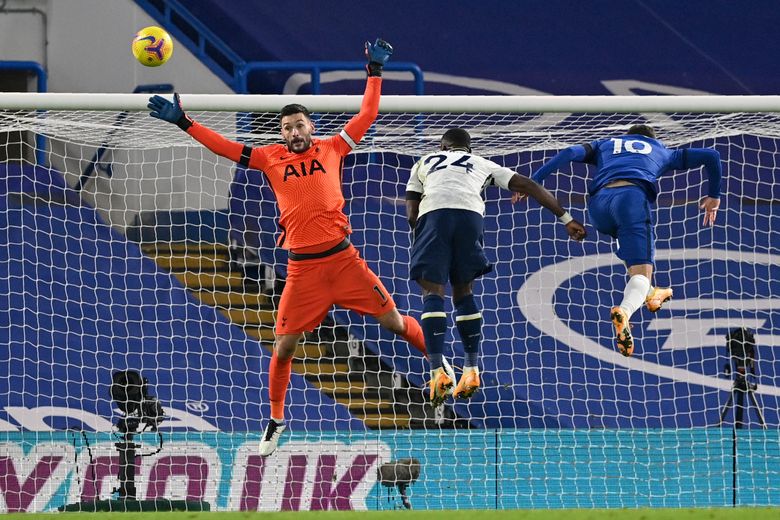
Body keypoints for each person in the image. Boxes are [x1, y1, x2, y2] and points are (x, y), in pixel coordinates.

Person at [148, 38, 453, 457]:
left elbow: (368, 113)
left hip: (345, 261)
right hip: (302, 271)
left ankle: (440, 366)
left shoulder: (333, 147)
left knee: (396, 324)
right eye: (287, 127)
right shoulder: (269, 158)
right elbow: (222, 146)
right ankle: (275, 421)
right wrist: (184, 123)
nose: (293, 132)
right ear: (282, 133)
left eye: (299, 126)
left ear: (312, 128)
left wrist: (375, 71)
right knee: (284, 346)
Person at [406, 128, 587, 406]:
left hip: (434, 218)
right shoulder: (482, 163)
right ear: (469, 147)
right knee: (464, 292)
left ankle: (437, 371)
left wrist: (424, 237)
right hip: (469, 218)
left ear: (442, 146)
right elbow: (529, 185)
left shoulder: (425, 161)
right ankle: (471, 369)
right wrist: (566, 218)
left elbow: (411, 213)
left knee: (432, 293)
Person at [525, 124, 722, 357]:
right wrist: (714, 195)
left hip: (598, 207)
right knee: (641, 272)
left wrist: (533, 182)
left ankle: (651, 293)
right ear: (653, 139)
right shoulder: (663, 151)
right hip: (630, 199)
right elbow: (712, 155)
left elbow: (568, 153)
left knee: (634, 267)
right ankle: (625, 312)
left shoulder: (605, 144)